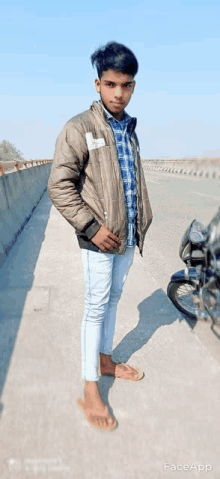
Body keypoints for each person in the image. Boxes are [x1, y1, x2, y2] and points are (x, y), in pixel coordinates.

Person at [47, 41, 153, 432]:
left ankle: (105, 361)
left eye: (126, 85)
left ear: (133, 86)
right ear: (97, 84)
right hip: (98, 239)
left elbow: (129, 182)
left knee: (113, 300)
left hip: (126, 237)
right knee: (95, 306)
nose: (118, 93)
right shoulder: (79, 127)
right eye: (110, 84)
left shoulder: (129, 130)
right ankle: (90, 388)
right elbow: (59, 186)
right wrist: (91, 228)